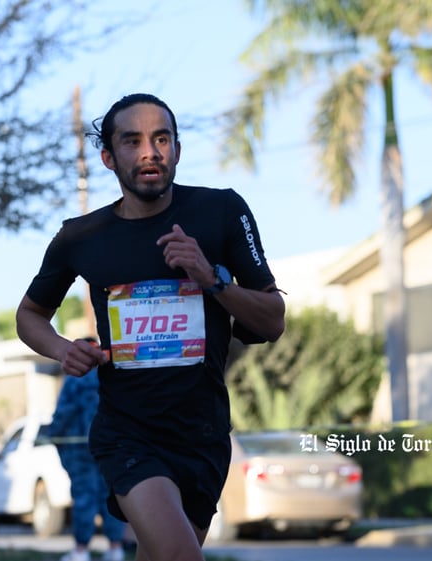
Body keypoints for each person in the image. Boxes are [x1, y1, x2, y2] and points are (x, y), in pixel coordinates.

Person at [16, 93, 285, 561]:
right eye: (132, 140)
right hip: (128, 432)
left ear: (177, 149)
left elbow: (272, 319)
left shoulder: (222, 212)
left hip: (203, 433)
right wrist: (61, 349)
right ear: (108, 157)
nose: (149, 152)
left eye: (161, 139)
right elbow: (29, 315)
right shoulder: (81, 237)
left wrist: (212, 278)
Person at [47, 337, 126, 561]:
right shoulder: (110, 375)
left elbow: (64, 412)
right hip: (110, 446)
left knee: (84, 497)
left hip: (80, 448)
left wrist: (53, 434)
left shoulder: (75, 378)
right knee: (110, 496)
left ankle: (81, 551)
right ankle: (115, 547)